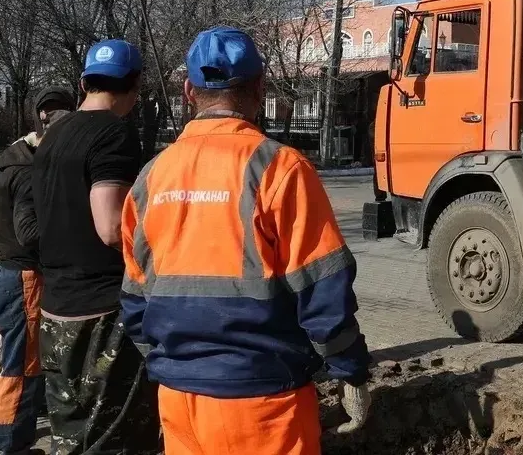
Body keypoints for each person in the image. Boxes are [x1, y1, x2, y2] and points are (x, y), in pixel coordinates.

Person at [120, 26, 371, 455]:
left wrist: (172, 360)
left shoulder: (151, 176)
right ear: (259, 88)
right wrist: (351, 369)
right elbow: (322, 288)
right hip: (264, 402)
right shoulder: (280, 169)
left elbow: (134, 297)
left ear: (188, 91)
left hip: (178, 401)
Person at [32, 41, 161, 455]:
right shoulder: (114, 133)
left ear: (84, 82)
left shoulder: (54, 134)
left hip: (56, 307)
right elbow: (110, 227)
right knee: (113, 438)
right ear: (135, 86)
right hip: (102, 315)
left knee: (70, 433)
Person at [0, 86, 74, 455]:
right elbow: (29, 232)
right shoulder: (30, 169)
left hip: (6, 273)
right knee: (21, 365)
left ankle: (12, 438)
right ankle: (5, 443)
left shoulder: (10, 160)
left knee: (18, 361)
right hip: (23, 277)